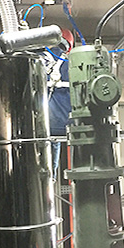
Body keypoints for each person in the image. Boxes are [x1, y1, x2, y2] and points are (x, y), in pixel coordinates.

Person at [43, 28, 74, 179]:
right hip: (68, 125)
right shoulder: (72, 64)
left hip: (42, 123)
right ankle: (52, 178)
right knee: (55, 146)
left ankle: (48, 178)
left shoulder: (39, 59)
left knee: (43, 153)